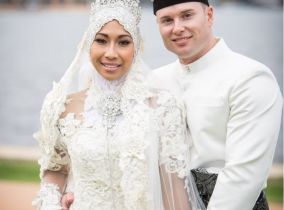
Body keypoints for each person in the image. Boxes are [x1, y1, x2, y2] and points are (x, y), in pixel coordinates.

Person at [32, 0, 206, 209]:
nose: (111, 53)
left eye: (123, 42)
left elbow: (173, 189)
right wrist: (51, 204)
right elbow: (56, 169)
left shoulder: (162, 108)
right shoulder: (62, 107)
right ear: (88, 44)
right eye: (101, 41)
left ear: (136, 48)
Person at [147, 0, 283, 210]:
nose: (177, 28)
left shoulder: (250, 78)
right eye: (167, 20)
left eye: (187, 15)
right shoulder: (155, 80)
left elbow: (243, 177)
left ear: (209, 15)